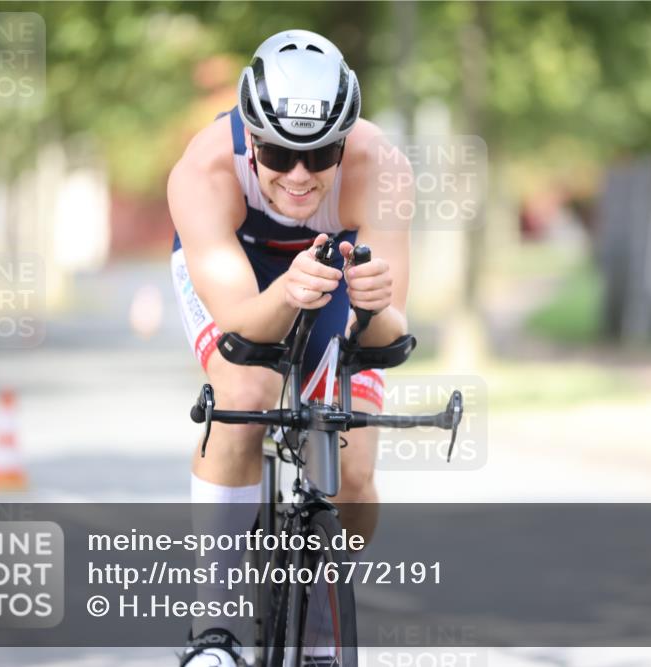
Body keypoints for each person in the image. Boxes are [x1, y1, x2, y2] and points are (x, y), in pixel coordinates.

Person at [168, 29, 412, 666]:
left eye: (320, 154)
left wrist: (374, 306)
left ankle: (323, 614)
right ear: (251, 138)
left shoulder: (382, 168)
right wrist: (286, 294)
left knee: (352, 473)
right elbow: (242, 330)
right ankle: (215, 630)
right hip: (242, 281)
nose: (300, 176)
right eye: (278, 154)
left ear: (345, 142)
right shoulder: (204, 170)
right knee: (245, 392)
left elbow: (389, 339)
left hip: (334, 276)